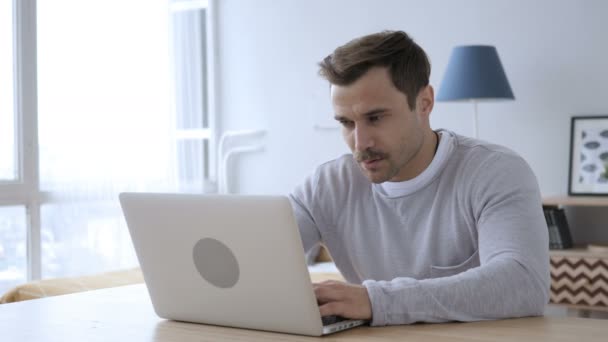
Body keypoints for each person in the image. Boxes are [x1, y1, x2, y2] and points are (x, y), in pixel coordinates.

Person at [289, 30, 550, 326]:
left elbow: (522, 283)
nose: (360, 143)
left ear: (424, 102)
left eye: (375, 117)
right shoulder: (327, 185)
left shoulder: (496, 171)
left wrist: (375, 301)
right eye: (347, 123)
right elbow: (257, 259)